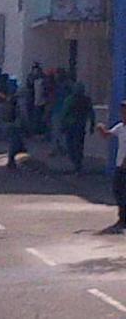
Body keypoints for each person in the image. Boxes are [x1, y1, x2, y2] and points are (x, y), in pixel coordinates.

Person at [97, 100, 126, 233]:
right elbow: (107, 135)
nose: (123, 114)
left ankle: (123, 219)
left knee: (122, 192)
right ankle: (122, 218)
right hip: (120, 166)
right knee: (118, 191)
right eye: (122, 111)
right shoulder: (120, 127)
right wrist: (102, 130)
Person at [60, 82, 95, 173]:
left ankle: (76, 163)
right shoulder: (86, 100)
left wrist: (62, 125)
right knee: (78, 146)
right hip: (80, 126)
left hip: (70, 126)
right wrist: (92, 125)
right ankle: (78, 164)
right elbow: (91, 113)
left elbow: (64, 113)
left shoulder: (70, 99)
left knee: (71, 146)